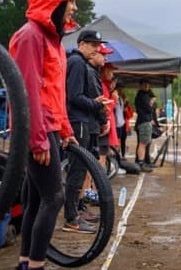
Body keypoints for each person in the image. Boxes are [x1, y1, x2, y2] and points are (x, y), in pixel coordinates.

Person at [9, 0, 78, 269]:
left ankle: (25, 263)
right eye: (70, 1)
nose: (74, 7)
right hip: (35, 130)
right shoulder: (30, 36)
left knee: (37, 200)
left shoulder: (54, 41)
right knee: (54, 197)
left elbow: (54, 93)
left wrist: (65, 129)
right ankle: (36, 265)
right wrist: (37, 138)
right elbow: (27, 92)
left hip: (48, 127)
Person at [64, 30, 112, 234]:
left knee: (81, 170)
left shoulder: (80, 63)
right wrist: (95, 104)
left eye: (97, 44)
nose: (97, 48)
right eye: (93, 44)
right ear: (81, 44)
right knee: (76, 171)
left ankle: (77, 211)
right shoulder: (76, 62)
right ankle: (71, 218)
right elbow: (74, 96)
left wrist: (95, 105)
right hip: (79, 122)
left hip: (84, 121)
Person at [134, 78, 154, 172]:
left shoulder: (142, 95)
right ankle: (141, 163)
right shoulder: (142, 95)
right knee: (143, 143)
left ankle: (141, 162)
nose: (147, 86)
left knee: (143, 143)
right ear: (140, 85)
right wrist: (152, 102)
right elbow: (149, 109)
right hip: (144, 122)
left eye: (148, 84)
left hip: (143, 121)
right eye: (144, 84)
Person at [121, 85, 134, 160]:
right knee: (119, 141)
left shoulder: (127, 105)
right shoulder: (118, 103)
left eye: (125, 99)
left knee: (123, 141)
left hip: (125, 125)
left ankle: (123, 155)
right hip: (119, 124)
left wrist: (126, 111)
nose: (124, 100)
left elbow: (130, 115)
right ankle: (119, 154)